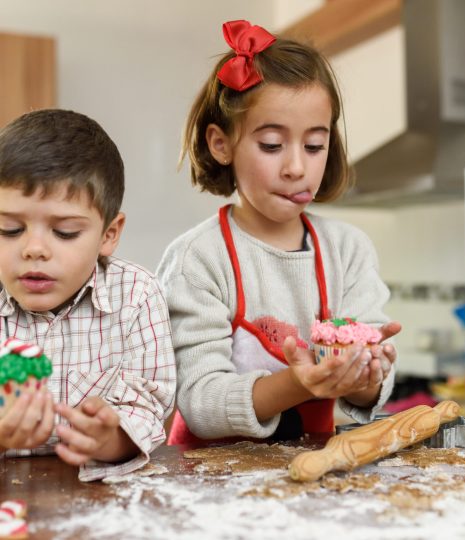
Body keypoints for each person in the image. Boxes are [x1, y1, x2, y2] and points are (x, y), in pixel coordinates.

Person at [157, 20, 401, 445]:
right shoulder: (198, 259)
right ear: (221, 144)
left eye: (314, 146)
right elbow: (199, 402)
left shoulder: (348, 251)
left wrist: (365, 372)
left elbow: (370, 390)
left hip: (307, 475)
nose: (296, 167)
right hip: (208, 481)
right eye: (271, 145)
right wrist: (301, 382)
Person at [0, 109, 176, 481]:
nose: (34, 249)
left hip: (96, 493)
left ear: (109, 234)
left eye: (64, 232)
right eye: (10, 229)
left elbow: (148, 405)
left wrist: (109, 439)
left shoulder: (135, 295)